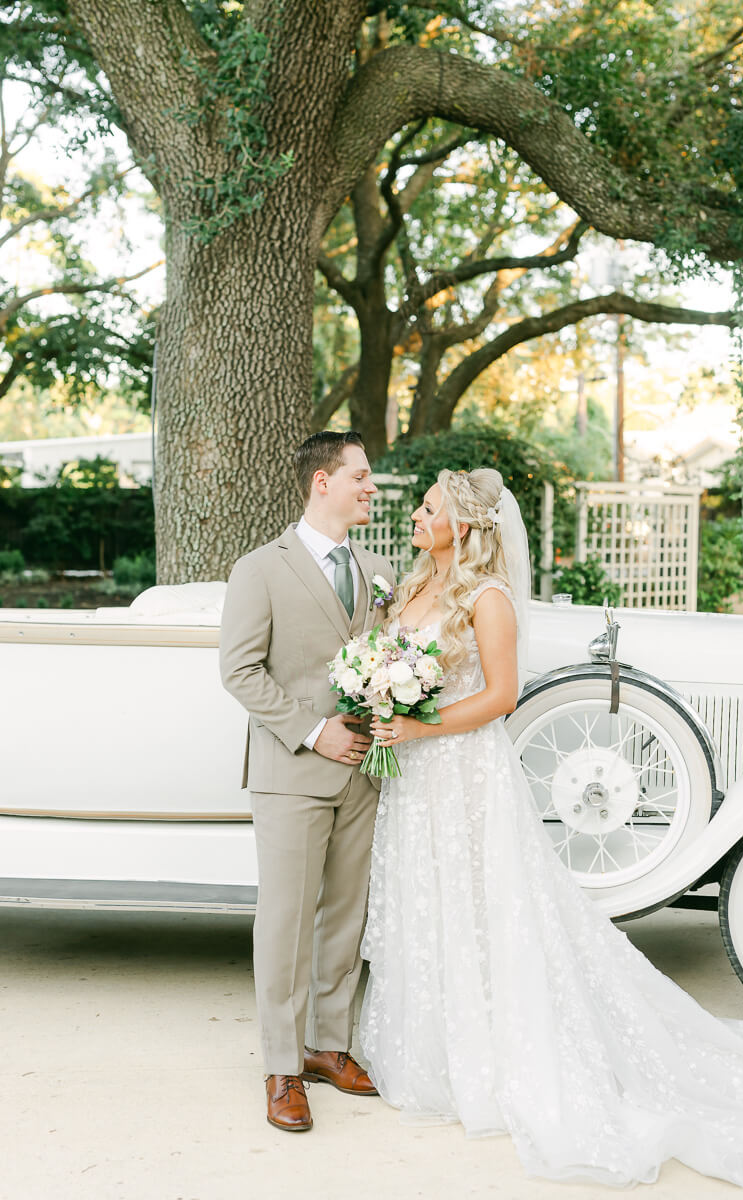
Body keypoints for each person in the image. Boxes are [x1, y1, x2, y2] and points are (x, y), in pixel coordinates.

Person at [359, 466, 743, 1188]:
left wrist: (416, 721)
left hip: (465, 771)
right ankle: (431, 1049)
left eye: (428, 508)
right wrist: (380, 695)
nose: (415, 516)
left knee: (481, 906)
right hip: (416, 780)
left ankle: (498, 1054)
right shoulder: (411, 588)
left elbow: (501, 697)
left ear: (461, 525)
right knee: (428, 901)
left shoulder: (489, 598)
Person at [219, 430, 395, 1133]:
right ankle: (281, 1066)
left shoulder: (379, 568)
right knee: (287, 922)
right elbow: (239, 671)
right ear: (322, 482)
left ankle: (329, 1046)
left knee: (346, 918)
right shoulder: (261, 568)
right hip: (292, 771)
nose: (371, 487)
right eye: (360, 476)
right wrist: (314, 729)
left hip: (364, 775)